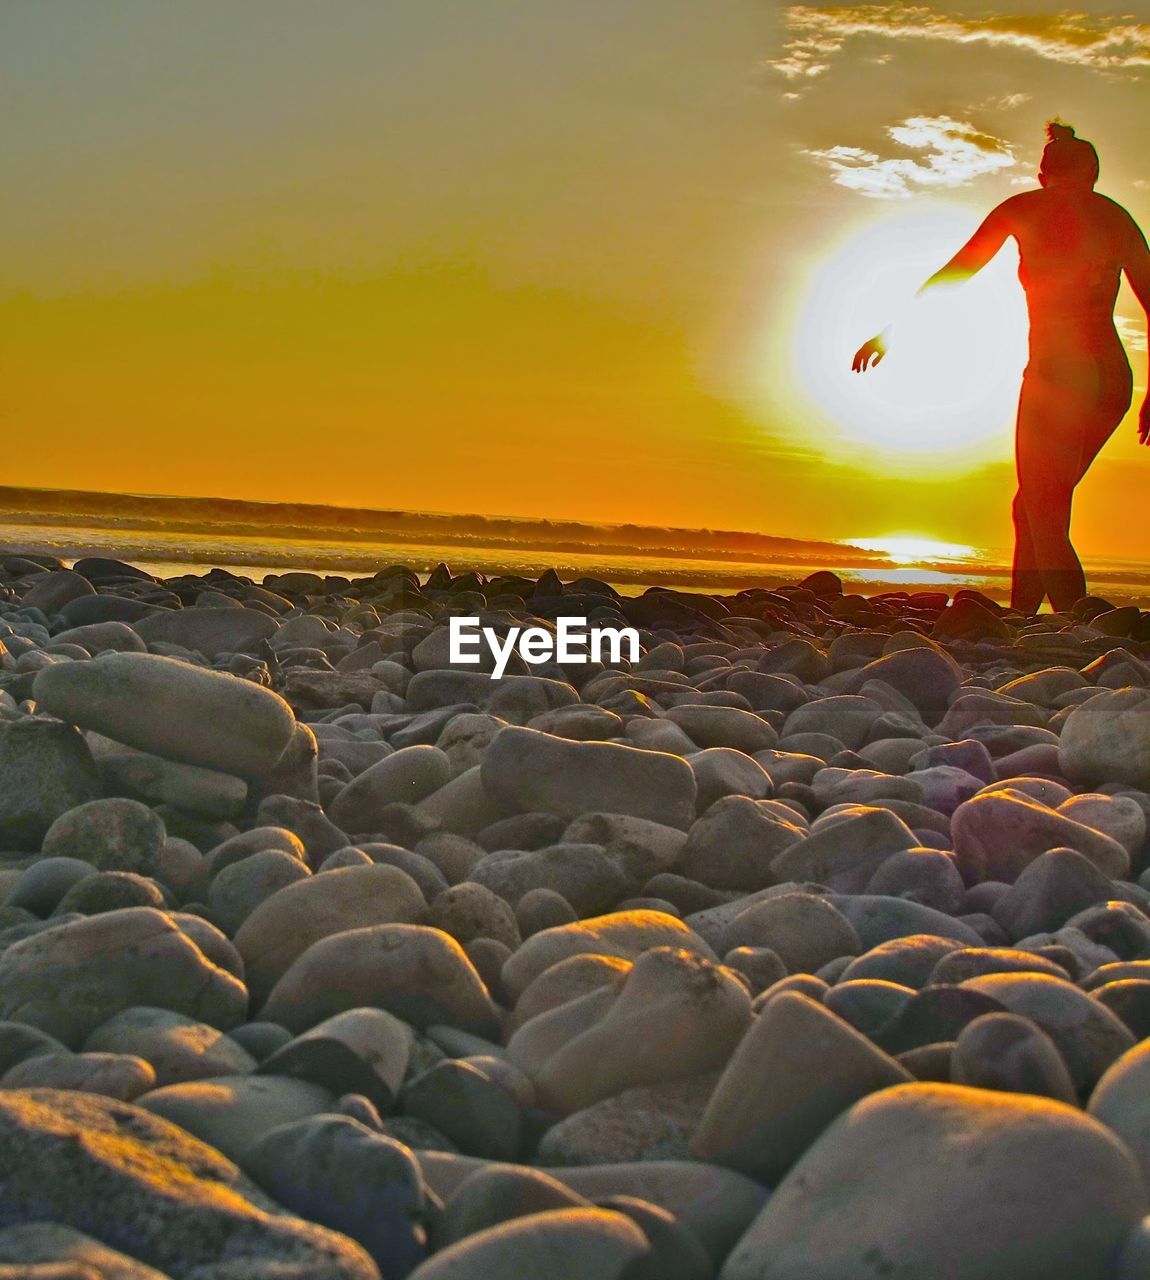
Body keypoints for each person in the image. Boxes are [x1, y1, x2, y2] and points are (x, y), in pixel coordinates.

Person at [853, 122, 1150, 613]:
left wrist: (892, 329)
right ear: (1093, 174)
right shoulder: (1115, 217)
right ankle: (1021, 620)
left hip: (1058, 373)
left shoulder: (1025, 209)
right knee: (1031, 505)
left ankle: (1079, 629)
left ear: (1041, 174)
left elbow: (957, 271)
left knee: (1046, 508)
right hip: (1112, 379)